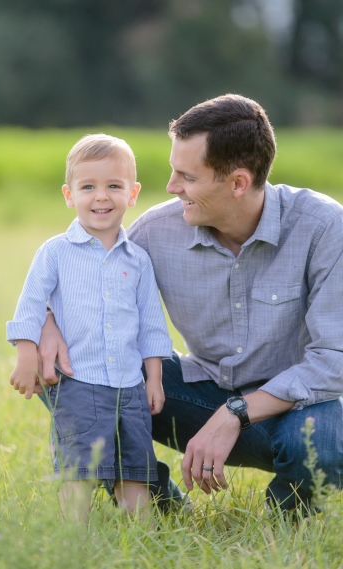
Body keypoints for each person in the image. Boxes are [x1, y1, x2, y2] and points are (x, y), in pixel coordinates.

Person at [38, 94, 343, 514]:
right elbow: (79, 276)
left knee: (321, 446)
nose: (171, 186)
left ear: (238, 183)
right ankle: (155, 502)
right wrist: (48, 322)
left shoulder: (323, 227)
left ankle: (287, 521)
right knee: (63, 365)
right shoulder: (156, 231)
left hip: (296, 409)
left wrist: (234, 413)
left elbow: (333, 359)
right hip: (197, 394)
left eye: (187, 176)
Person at [7, 134, 172, 520]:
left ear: (133, 193)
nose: (101, 197)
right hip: (79, 384)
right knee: (78, 471)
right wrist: (25, 357)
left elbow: (151, 324)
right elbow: (31, 306)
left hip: (130, 387)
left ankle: (141, 538)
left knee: (136, 470)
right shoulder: (55, 252)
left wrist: (154, 378)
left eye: (114, 186)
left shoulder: (139, 260)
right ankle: (74, 539)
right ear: (69, 195)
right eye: (88, 187)